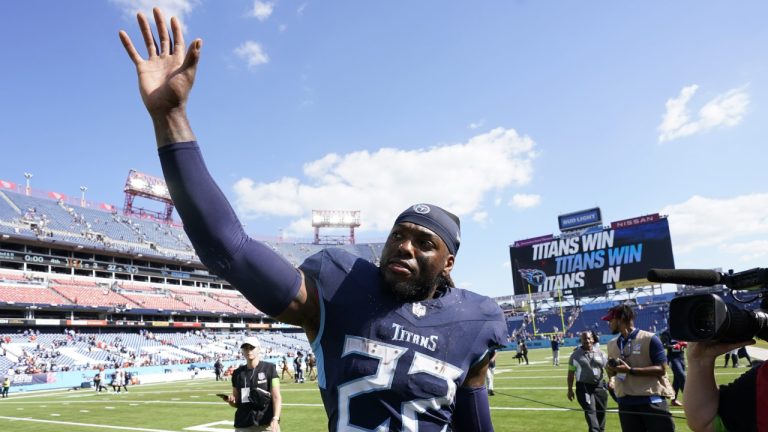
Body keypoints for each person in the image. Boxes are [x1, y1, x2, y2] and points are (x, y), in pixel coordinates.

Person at [119, 9, 508, 431]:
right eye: (399, 234)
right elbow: (228, 249)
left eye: (425, 243)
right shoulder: (338, 288)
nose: (406, 246)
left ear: (448, 263)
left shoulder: (477, 321)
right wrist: (170, 117)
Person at [603, 304, 675, 431]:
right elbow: (613, 373)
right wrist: (611, 373)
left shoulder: (650, 338)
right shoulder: (612, 344)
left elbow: (662, 369)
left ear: (621, 319)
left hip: (651, 400)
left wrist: (630, 370)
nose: (608, 323)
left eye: (611, 320)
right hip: (625, 403)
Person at [683, 338, 765, 432]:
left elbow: (705, 422)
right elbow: (705, 421)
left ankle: (735, 363)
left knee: (733, 354)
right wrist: (700, 360)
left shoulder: (761, 379)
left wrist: (700, 360)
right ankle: (734, 363)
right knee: (731, 354)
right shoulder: (761, 379)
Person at [227, 337, 281, 432]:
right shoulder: (237, 373)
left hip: (266, 423)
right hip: (243, 424)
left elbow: (276, 397)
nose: (248, 351)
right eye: (245, 348)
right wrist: (232, 402)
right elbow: (237, 402)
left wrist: (276, 418)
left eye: (251, 347)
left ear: (259, 349)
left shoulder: (270, 368)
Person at [567, 331, 609, 432]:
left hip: (600, 386)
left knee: (601, 413)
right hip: (584, 387)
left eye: (589, 338)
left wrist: (611, 379)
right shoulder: (575, 356)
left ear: (593, 339)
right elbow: (571, 374)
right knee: (591, 412)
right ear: (581, 340)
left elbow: (608, 368)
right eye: (584, 338)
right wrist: (570, 390)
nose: (587, 340)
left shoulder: (601, 353)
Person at [660, 330, 686, 407]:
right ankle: (689, 399)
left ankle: (674, 401)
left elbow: (687, 342)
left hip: (681, 358)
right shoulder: (666, 333)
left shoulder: (681, 332)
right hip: (672, 358)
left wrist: (686, 344)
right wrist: (674, 346)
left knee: (677, 380)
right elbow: (664, 345)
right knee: (682, 376)